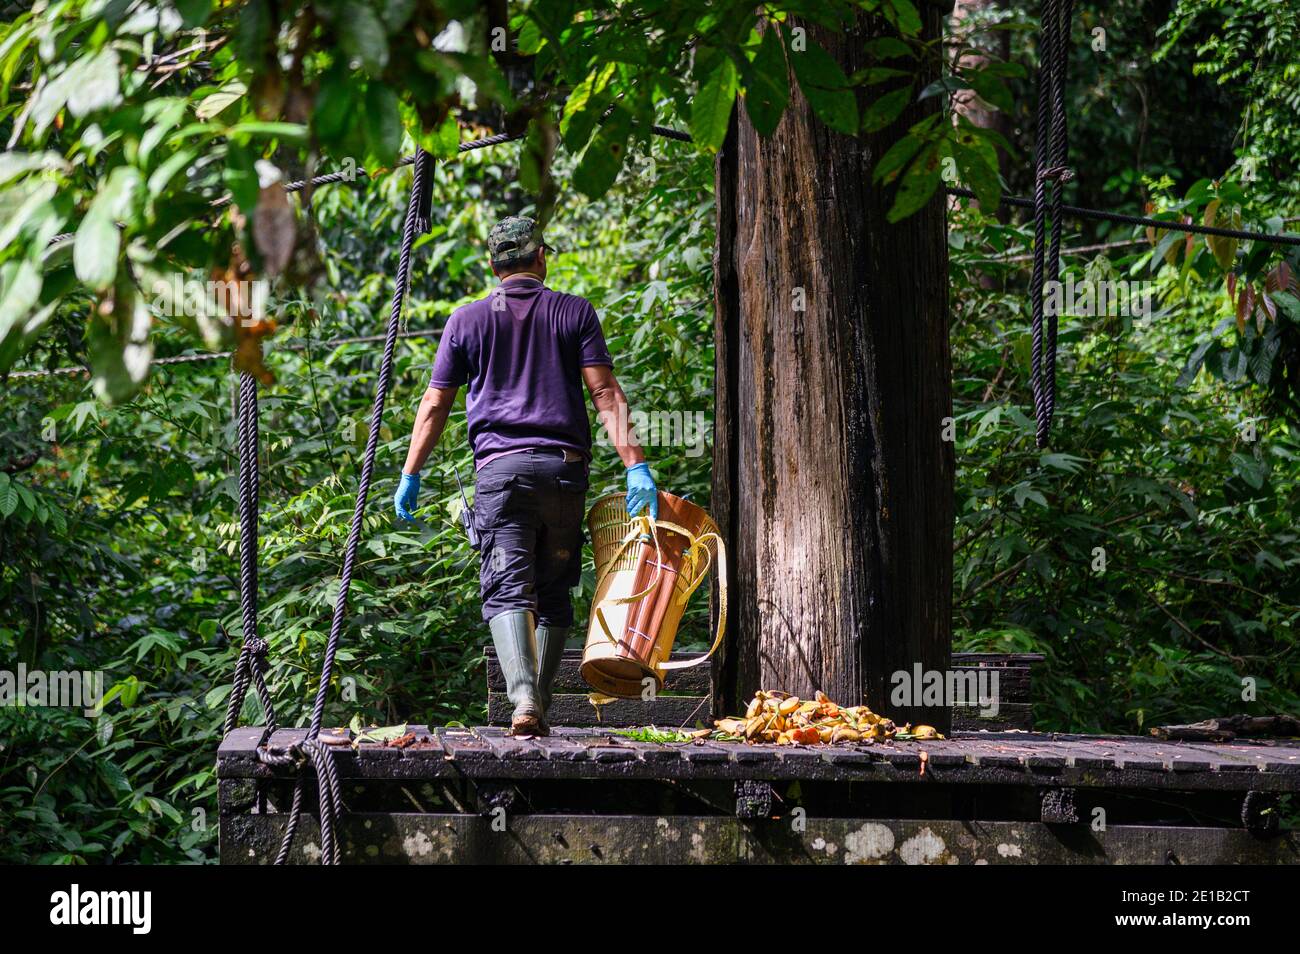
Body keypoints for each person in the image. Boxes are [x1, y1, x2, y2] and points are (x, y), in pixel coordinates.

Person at [394, 215, 658, 736]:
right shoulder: (573, 311)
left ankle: (524, 702)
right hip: (563, 473)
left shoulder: (466, 321)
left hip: (501, 475)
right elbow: (604, 393)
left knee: (507, 586)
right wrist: (637, 466)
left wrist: (411, 473)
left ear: (493, 266)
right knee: (556, 587)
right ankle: (539, 703)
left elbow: (435, 404)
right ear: (541, 259)